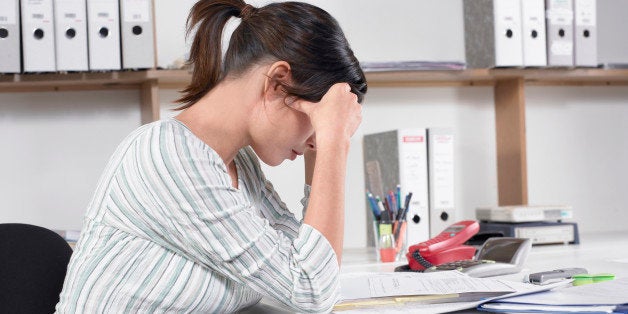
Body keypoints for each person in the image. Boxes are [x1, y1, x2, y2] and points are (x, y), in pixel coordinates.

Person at [55, 0, 367, 313]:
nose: (315, 136)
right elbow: (311, 291)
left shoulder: (238, 165)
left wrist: (321, 148)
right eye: (317, 118)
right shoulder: (170, 156)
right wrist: (332, 144)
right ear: (276, 82)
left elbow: (310, 263)